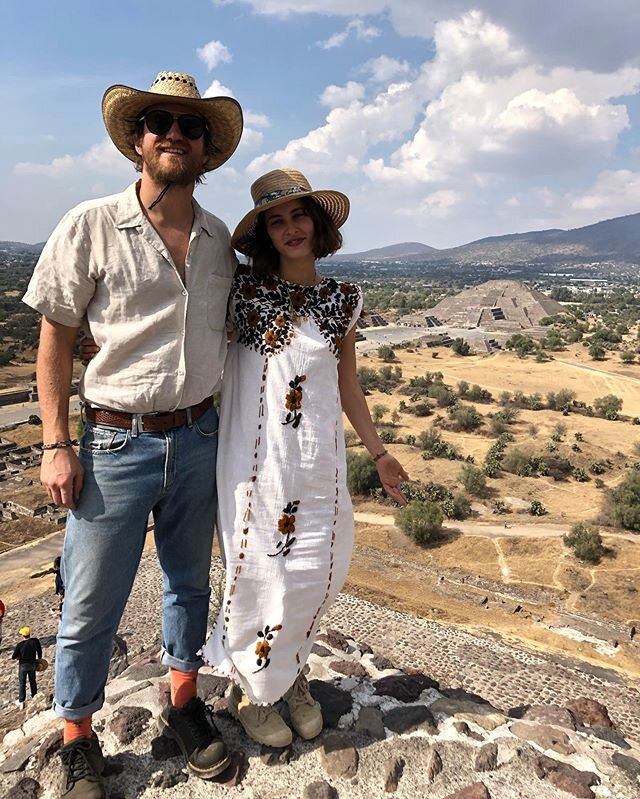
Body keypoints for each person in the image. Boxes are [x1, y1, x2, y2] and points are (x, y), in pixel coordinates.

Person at [23, 70, 243, 797]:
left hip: (199, 435)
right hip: (116, 441)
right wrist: (56, 442)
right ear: (137, 141)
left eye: (190, 125)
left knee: (190, 583)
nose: (174, 134)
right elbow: (54, 339)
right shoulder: (90, 224)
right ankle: (78, 737)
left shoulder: (219, 241)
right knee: (91, 599)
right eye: (159, 122)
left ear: (206, 147)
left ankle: (183, 702)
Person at [200, 168, 408, 748]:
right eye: (276, 219)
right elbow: (184, 327)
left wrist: (380, 451)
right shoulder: (242, 294)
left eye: (299, 215)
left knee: (313, 567)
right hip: (255, 462)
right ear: (266, 232)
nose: (290, 228)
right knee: (257, 568)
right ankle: (250, 687)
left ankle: (289, 677)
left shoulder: (343, 299)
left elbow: (348, 384)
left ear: (318, 225)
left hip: (317, 462)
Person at [12, 626, 42, 708]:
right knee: (33, 681)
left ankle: (22, 700)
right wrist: (39, 659)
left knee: (22, 683)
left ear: (22, 635)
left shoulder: (19, 645)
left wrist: (18, 656)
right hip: (32, 664)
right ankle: (34, 696)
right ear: (29, 634)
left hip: (23, 665)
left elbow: (13, 656)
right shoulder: (35, 642)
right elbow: (39, 651)